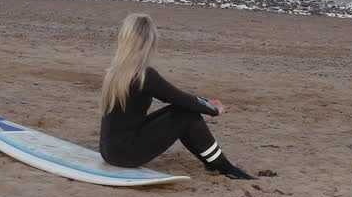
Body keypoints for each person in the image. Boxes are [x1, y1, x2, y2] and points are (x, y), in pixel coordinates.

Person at [99, 13, 254, 180]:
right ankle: (225, 168)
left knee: (181, 111)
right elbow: (179, 98)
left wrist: (206, 102)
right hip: (125, 154)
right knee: (186, 114)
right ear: (150, 42)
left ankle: (214, 164)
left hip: (110, 150)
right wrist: (214, 110)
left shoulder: (116, 71)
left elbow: (176, 98)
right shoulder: (143, 75)